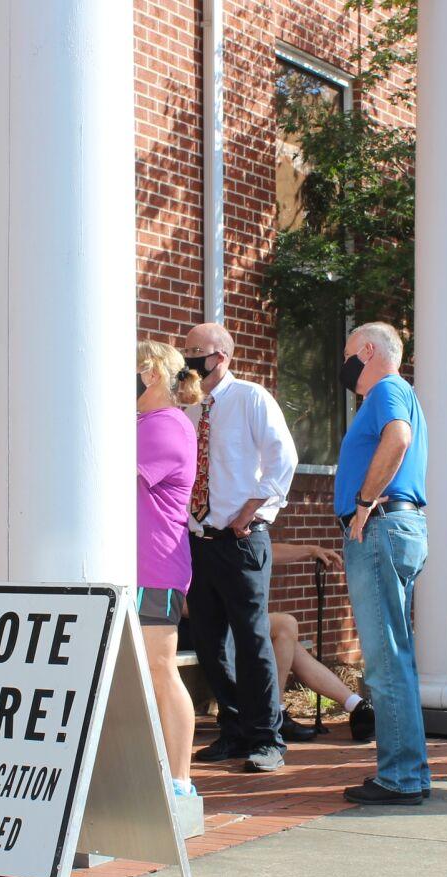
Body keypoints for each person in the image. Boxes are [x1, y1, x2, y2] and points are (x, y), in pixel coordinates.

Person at [183, 322, 298, 773]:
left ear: (221, 357)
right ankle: (232, 729)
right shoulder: (188, 408)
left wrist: (250, 510)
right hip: (198, 540)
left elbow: (282, 458)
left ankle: (266, 737)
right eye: (186, 349)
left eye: (197, 351)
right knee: (212, 642)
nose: (189, 358)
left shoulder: (250, 398)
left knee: (252, 641)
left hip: (241, 540)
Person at [332, 323, 432, 805]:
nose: (345, 363)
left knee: (386, 660)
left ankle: (402, 777)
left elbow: (398, 437)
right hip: (399, 529)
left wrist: (365, 501)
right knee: (397, 656)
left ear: (368, 350)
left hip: (379, 529)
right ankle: (408, 772)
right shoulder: (402, 391)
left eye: (349, 353)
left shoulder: (387, 390)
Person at [134, 340, 203, 798]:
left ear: (152, 374)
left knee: (160, 669)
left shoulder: (164, 427)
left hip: (154, 569)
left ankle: (180, 781)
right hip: (138, 569)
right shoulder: (148, 423)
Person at [267, 542, 375, 743]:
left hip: (231, 618)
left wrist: (311, 550)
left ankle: (356, 705)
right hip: (205, 624)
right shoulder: (204, 534)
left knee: (287, 639)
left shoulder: (233, 530)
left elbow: (262, 548)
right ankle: (274, 713)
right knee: (286, 625)